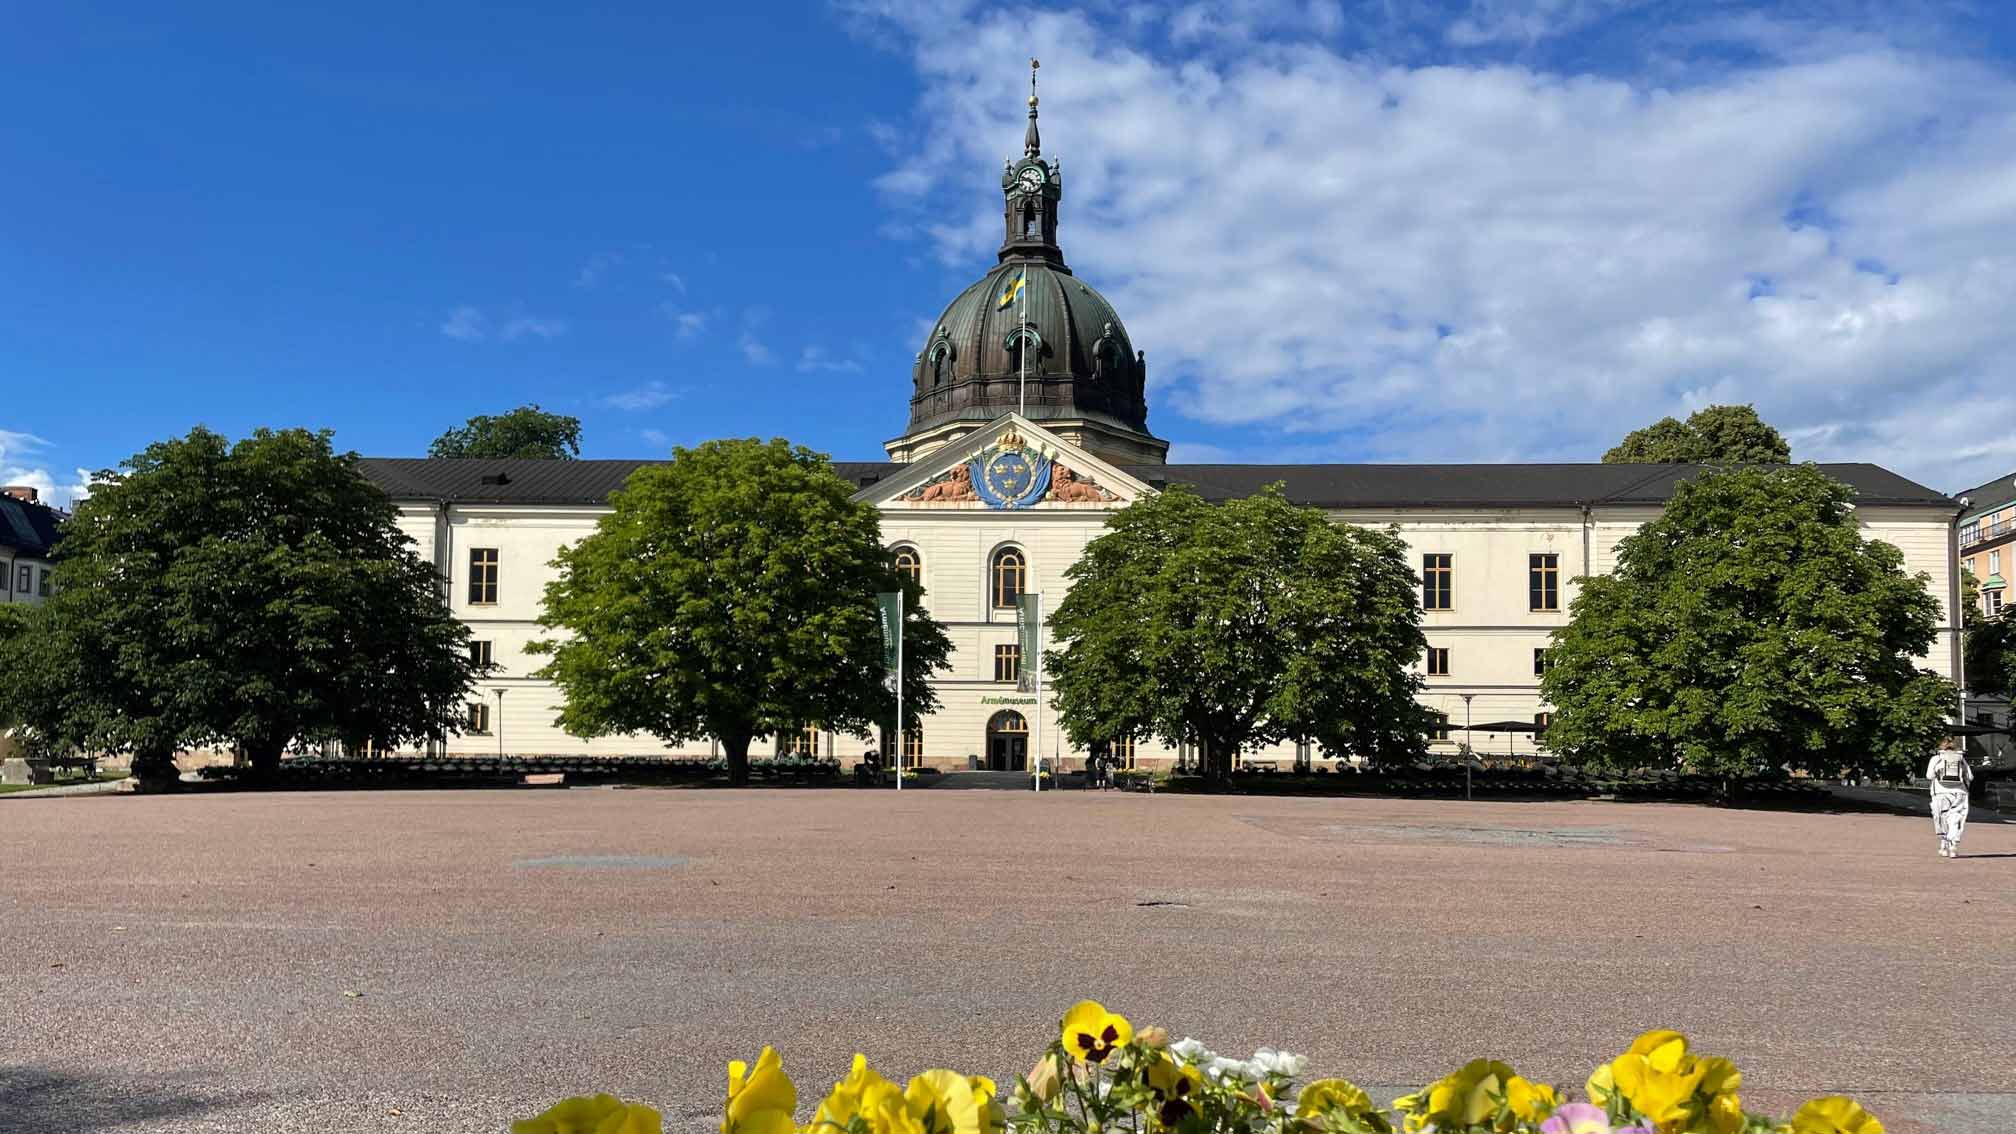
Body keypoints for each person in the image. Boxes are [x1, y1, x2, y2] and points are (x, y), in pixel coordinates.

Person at [1926, 738, 1973, 858]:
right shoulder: (1961, 759)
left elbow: (1929, 776)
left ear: (1941, 747)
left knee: (1942, 819)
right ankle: (1953, 846)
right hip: (1959, 793)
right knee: (1955, 819)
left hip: (1940, 793)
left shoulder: (1936, 758)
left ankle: (1943, 845)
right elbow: (1970, 776)